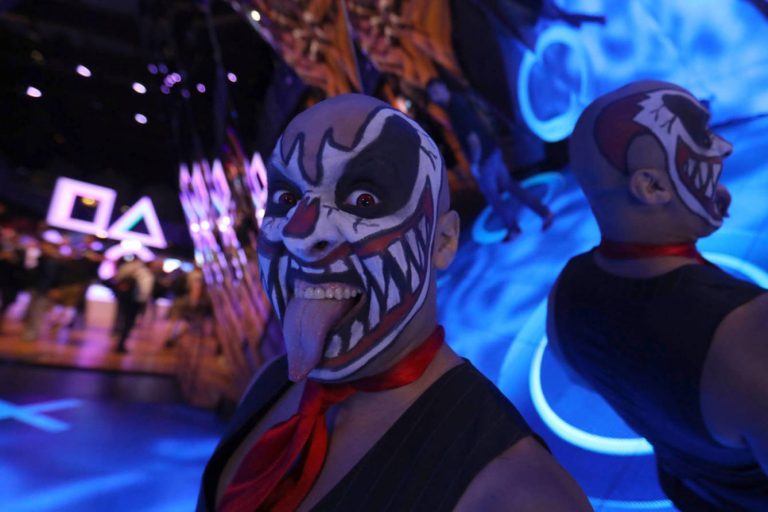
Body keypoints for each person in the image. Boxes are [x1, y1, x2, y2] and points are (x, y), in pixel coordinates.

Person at [198, 94, 589, 511]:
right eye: (287, 200)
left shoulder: (517, 492)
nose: (300, 234)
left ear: (444, 242)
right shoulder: (271, 383)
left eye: (363, 200)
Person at [548, 80, 768, 510]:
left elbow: (583, 379)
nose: (723, 148)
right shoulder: (750, 334)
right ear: (651, 187)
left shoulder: (564, 295)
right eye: (701, 136)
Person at [112, 257, 154, 353]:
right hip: (135, 300)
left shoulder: (127, 268)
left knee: (122, 318)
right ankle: (121, 343)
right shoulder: (144, 273)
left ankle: (118, 336)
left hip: (125, 298)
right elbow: (145, 290)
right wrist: (142, 301)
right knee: (129, 322)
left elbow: (117, 278)